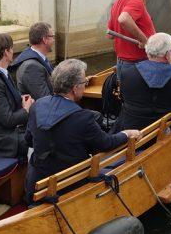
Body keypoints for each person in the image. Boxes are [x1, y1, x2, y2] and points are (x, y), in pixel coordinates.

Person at [24, 59, 140, 201]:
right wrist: (126, 133)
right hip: (70, 184)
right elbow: (106, 144)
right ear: (75, 88)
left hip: (36, 182)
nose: (85, 86)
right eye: (84, 83)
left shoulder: (37, 106)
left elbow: (29, 140)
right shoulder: (83, 118)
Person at [114, 32, 171, 132]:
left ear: (147, 52)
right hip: (162, 132)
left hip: (128, 129)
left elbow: (123, 98)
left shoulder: (127, 73)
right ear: (167, 55)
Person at [0, 33, 33, 159]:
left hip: (12, 131)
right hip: (3, 141)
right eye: (12, 48)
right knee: (44, 142)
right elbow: (8, 120)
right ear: (6, 52)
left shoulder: (2, 72)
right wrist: (26, 109)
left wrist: (20, 100)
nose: (13, 52)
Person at [107, 0, 155, 66]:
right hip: (139, 64)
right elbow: (123, 19)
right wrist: (144, 40)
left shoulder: (118, 2)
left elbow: (110, 35)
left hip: (123, 64)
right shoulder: (136, 1)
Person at [11, 21, 55, 100]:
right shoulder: (32, 68)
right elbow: (45, 100)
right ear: (45, 39)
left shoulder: (39, 58)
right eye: (52, 37)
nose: (54, 40)